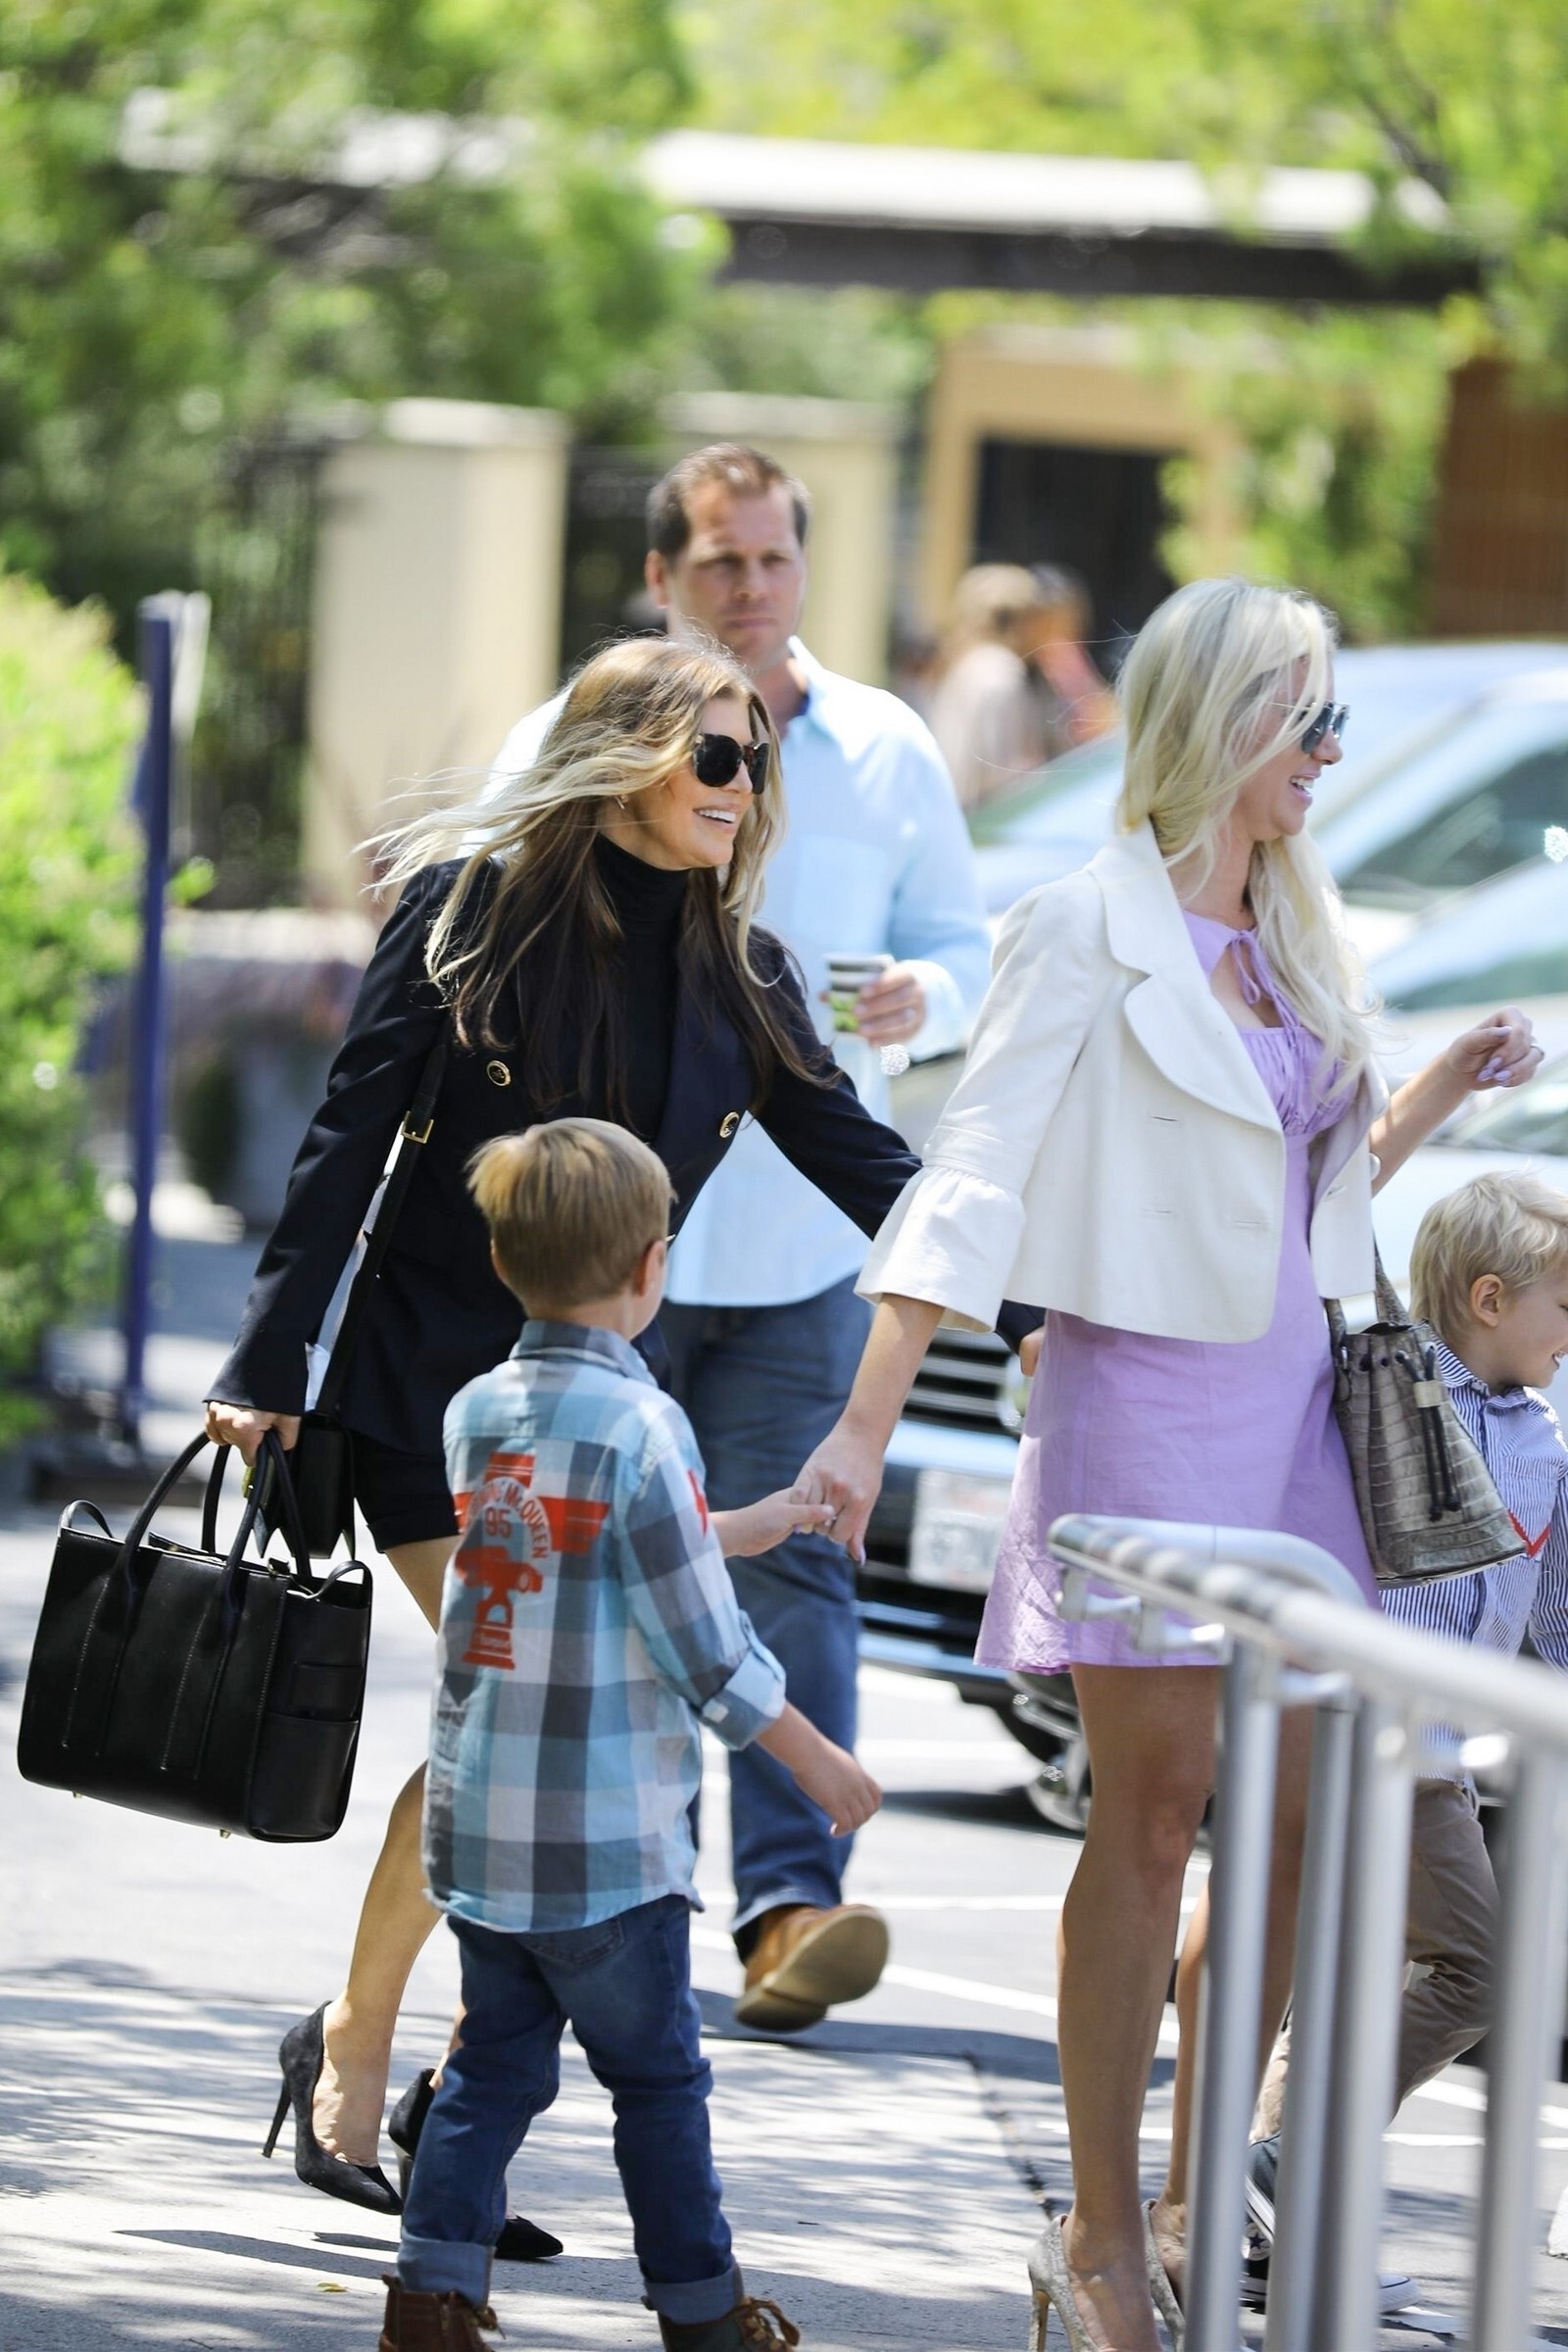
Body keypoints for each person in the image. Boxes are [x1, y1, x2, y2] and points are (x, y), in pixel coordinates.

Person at [790, 575, 1543, 2352]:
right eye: (1312, 720)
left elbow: (1300, 1190)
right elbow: (971, 1173)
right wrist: (863, 1423)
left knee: (1290, 1832)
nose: (1334, 754)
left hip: (1301, 1418)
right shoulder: (1081, 924)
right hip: (1140, 1409)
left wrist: (1432, 1091)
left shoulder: (1300, 928)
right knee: (1149, 1819)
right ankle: (1104, 2240)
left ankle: (1204, 2202)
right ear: (1229, 721)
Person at [204, 633, 932, 2222]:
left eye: (756, 757)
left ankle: (433, 2094)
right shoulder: (467, 915)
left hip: (593, 1420)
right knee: (505, 1715)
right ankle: (359, 2051)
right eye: (714, 754)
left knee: (523, 1738)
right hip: (427, 1399)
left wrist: (1028, 1295)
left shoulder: (743, 978)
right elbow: (344, 1142)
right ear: (625, 763)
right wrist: (268, 1360)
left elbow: (872, 1169)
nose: (742, 784)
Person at [491, 443, 995, 2033]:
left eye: (776, 559)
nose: (753, 587)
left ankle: (790, 1912)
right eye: (722, 561)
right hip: (597, 1280)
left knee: (801, 1564)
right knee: (610, 1586)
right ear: (663, 578)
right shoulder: (566, 737)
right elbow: (480, 940)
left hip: (799, 1257)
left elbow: (965, 945)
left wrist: (928, 998)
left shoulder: (889, 747)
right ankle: (625, 1899)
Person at [378, 1118, 878, 2352]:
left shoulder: (478, 1414)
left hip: (484, 1838)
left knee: (491, 2073)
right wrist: (815, 1757)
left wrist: (745, 1523)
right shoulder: (645, 1428)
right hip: (607, 1852)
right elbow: (704, 1651)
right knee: (658, 2086)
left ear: (502, 1262)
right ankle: (703, 2314)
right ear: (655, 1266)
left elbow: (574, 1555)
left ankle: (430, 2297)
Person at [1246, 1171, 1568, 2277]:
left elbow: (1556, 1609)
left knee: (1347, 1984)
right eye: (1565, 1306)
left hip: (1443, 1753)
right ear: (1490, 1298)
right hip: (1369, 1731)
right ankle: (1286, 2162)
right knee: (1477, 1970)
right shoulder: (1387, 1387)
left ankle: (1264, 2218)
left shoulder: (1543, 1440)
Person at [928, 564, 1114, 810]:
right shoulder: (1000, 672)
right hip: (983, 817)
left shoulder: (969, 664)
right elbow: (1004, 774)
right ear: (1022, 621)